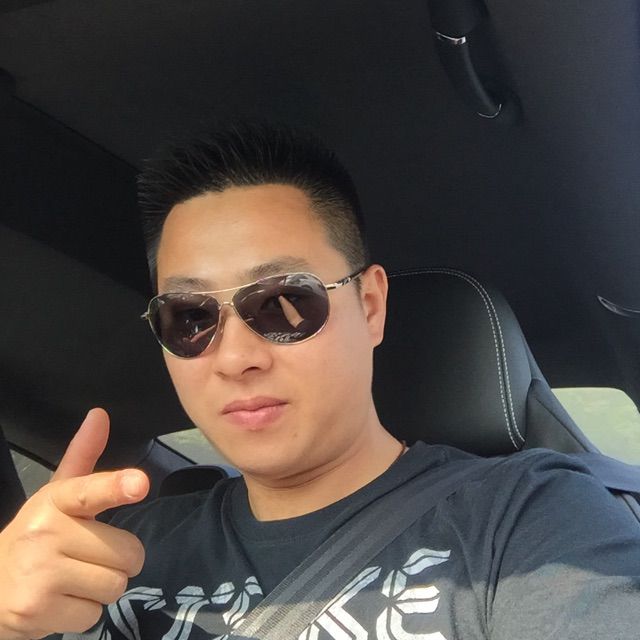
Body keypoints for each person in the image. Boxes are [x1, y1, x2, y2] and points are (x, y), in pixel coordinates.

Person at [1, 122, 640, 640]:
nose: (234, 358)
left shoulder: (531, 525)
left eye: (285, 303)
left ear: (371, 306)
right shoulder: (108, 555)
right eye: (190, 317)